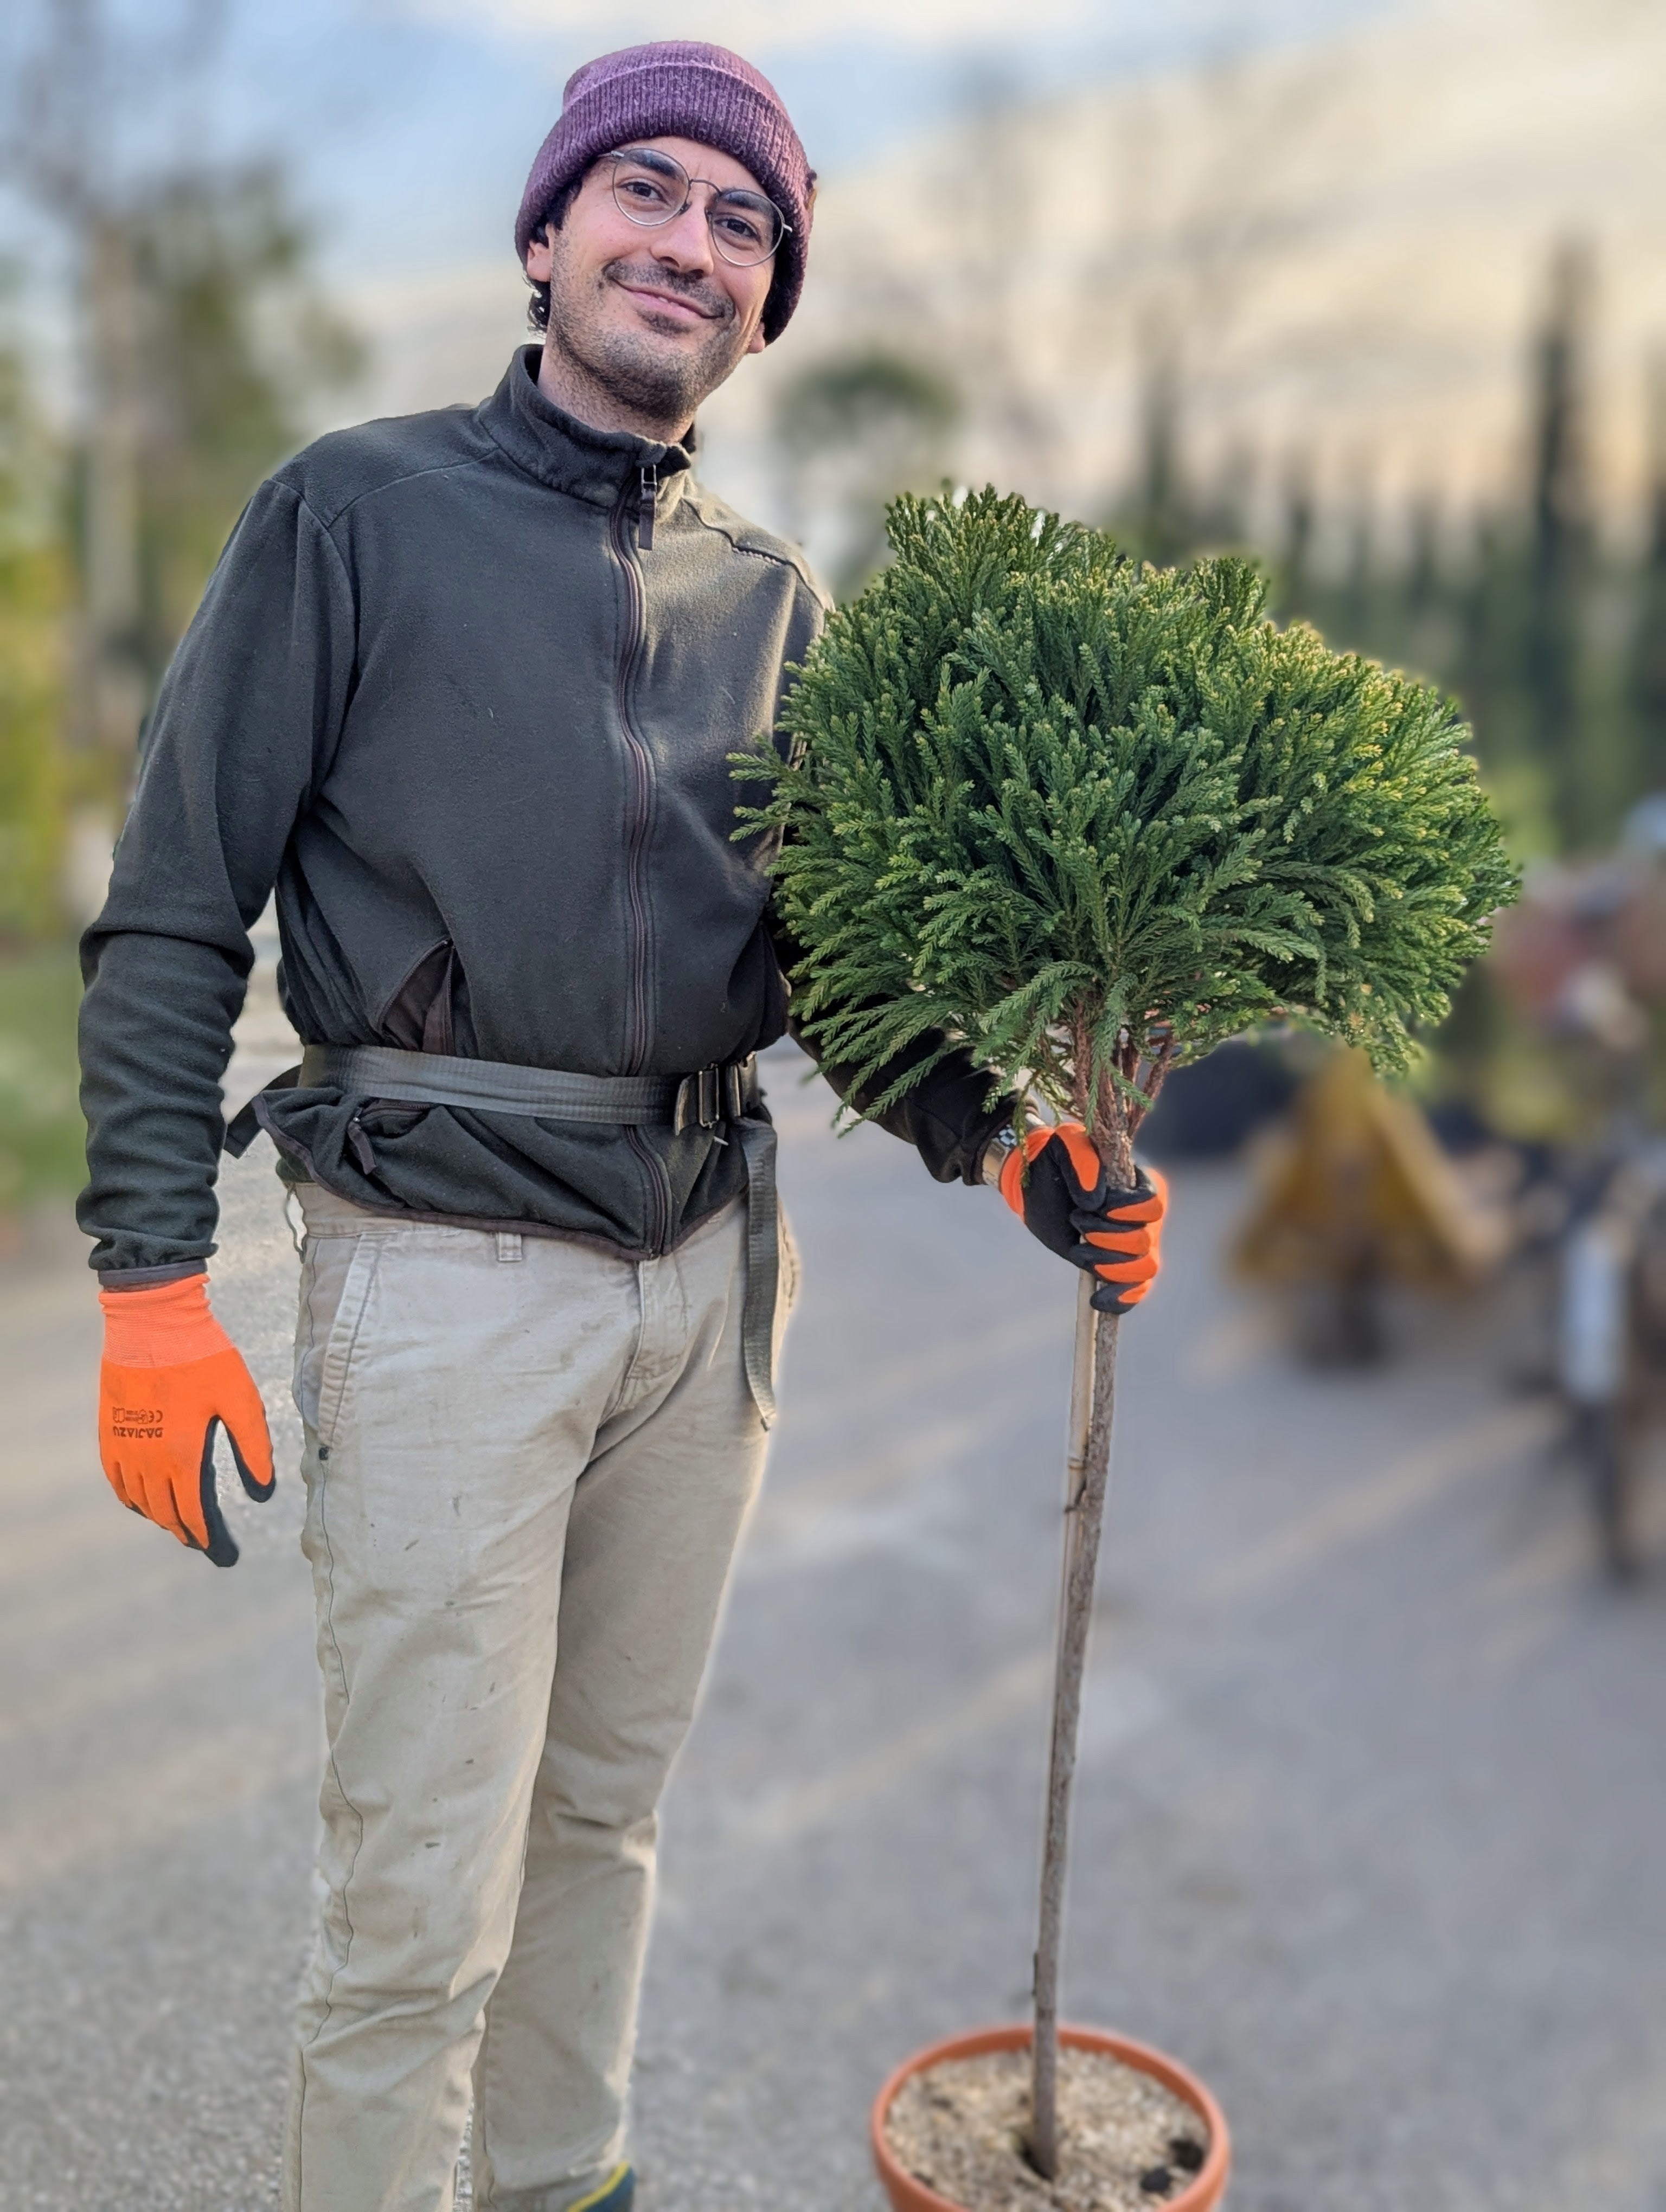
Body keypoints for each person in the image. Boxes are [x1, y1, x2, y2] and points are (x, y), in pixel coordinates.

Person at [78, 41, 1165, 2212]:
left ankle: (563, 2181)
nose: (688, 240)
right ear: (552, 233)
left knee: (605, 1820)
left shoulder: (775, 605)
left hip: (707, 1286)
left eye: (741, 223)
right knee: (418, 1898)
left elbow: (835, 972)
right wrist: (146, 1282)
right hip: (443, 1278)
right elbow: (177, 905)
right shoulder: (350, 517)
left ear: (766, 305)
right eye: (647, 194)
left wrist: (1015, 1138)